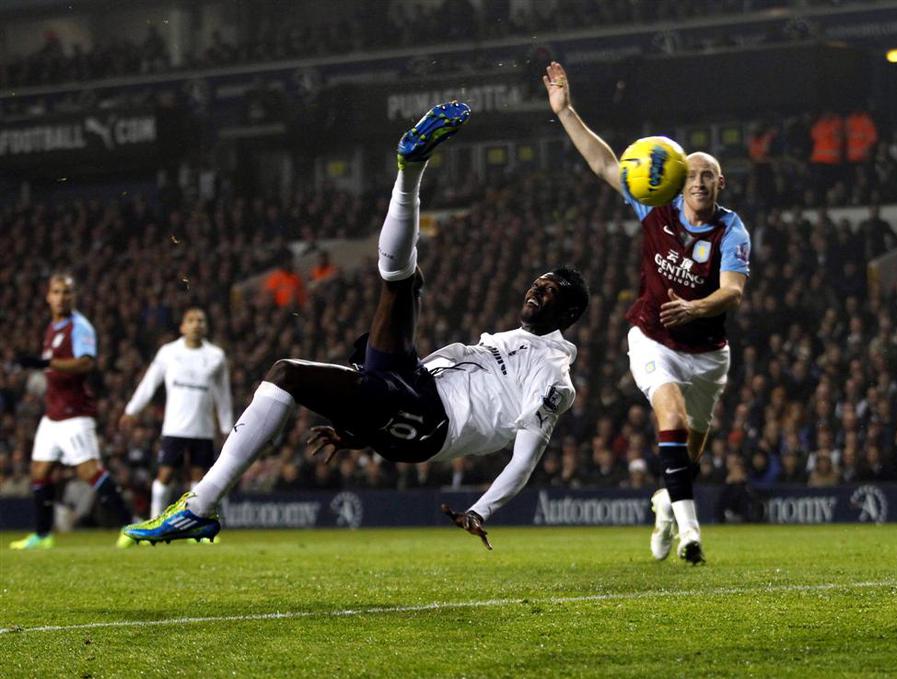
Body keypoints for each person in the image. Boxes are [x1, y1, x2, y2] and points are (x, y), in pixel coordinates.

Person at [123, 102, 589, 549]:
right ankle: (410, 168)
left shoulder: (553, 375)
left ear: (568, 314)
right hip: (413, 385)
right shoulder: (513, 340)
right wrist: (363, 431)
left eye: (550, 292)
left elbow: (526, 456)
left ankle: (201, 505)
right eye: (537, 283)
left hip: (431, 422)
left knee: (288, 372)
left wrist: (482, 509)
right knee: (402, 279)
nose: (536, 290)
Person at [544, 62, 750, 564]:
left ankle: (665, 504)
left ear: (720, 183)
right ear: (679, 182)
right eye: (692, 175)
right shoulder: (654, 206)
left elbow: (733, 292)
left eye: (707, 175)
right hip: (653, 337)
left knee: (690, 452)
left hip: (708, 353)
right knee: (672, 416)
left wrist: (696, 307)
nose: (698, 182)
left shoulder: (732, 230)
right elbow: (604, 164)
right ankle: (691, 533)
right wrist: (565, 110)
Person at [10, 274, 132, 549]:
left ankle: (131, 526)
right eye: (57, 292)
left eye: (67, 292)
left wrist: (46, 362)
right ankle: (43, 535)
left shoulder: (80, 327)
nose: (61, 297)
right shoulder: (52, 327)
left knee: (89, 471)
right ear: (48, 296)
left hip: (74, 412)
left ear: (73, 296)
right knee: (40, 470)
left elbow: (85, 364)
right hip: (52, 413)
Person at [120, 307, 233, 520]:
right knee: (165, 475)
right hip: (175, 427)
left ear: (205, 327)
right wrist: (131, 410)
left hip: (203, 429)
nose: (196, 324)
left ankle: (195, 523)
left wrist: (227, 427)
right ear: (183, 327)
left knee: (199, 478)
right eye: (191, 320)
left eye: (201, 320)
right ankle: (154, 520)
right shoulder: (168, 352)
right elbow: (149, 382)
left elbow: (223, 394)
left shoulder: (216, 356)